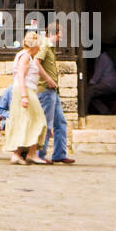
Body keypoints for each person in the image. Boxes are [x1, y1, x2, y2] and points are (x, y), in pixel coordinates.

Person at [2, 31, 48, 165]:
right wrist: (24, 96)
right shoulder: (26, 57)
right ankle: (31, 154)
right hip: (25, 90)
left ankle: (20, 154)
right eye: (38, 46)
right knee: (39, 120)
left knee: (26, 121)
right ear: (34, 46)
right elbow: (21, 76)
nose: (39, 49)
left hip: (26, 90)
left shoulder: (24, 55)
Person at [36, 20, 75, 164]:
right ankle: (40, 155)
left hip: (53, 91)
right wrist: (48, 79)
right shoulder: (44, 46)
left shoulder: (50, 47)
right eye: (60, 35)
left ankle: (59, 153)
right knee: (47, 123)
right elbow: (36, 63)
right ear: (52, 33)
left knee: (61, 122)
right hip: (46, 90)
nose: (61, 39)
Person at [87, 48, 116, 114]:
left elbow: (97, 76)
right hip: (107, 84)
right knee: (91, 95)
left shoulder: (102, 58)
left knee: (89, 91)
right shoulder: (101, 58)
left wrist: (89, 84)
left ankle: (83, 111)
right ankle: (106, 112)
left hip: (108, 84)